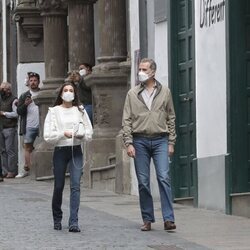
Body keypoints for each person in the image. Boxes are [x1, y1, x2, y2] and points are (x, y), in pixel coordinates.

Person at [121, 58, 177, 232]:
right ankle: (147, 219)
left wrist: (171, 142)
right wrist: (128, 143)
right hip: (140, 141)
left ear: (153, 72)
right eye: (140, 69)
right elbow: (126, 120)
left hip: (161, 139)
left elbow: (171, 117)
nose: (140, 72)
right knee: (143, 182)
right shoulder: (132, 94)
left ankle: (169, 219)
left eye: (144, 69)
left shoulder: (165, 92)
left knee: (163, 178)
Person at [43, 82, 93, 232]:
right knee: (59, 186)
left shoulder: (80, 110)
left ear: (75, 93)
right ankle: (57, 218)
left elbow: (89, 133)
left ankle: (74, 221)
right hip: (60, 151)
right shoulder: (54, 111)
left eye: (71, 90)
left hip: (75, 150)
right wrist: (62, 134)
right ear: (61, 93)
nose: (68, 92)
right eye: (66, 90)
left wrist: (81, 134)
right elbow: (48, 136)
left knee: (75, 185)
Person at [16, 72, 40, 178]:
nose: (33, 82)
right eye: (31, 81)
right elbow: (19, 112)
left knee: (43, 147)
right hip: (29, 125)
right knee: (27, 147)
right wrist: (25, 104)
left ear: (38, 82)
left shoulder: (43, 93)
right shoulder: (24, 95)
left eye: (35, 80)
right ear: (29, 82)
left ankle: (39, 168)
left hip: (41, 124)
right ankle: (28, 168)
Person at [0, 82, 18, 178]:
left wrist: (4, 113)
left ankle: (12, 171)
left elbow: (16, 114)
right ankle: (5, 171)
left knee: (10, 150)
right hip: (1, 128)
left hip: (9, 128)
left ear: (8, 90)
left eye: (3, 89)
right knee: (2, 151)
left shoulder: (14, 100)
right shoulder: (1, 99)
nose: (1, 91)